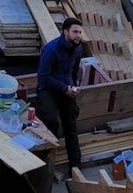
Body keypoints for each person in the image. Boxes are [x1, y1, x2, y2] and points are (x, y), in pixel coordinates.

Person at [36, 17, 86, 171]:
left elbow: (74, 70)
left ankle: (75, 167)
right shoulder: (51, 50)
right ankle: (47, 163)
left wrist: (74, 87)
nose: (78, 35)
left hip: (66, 88)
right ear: (65, 32)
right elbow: (43, 77)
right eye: (75, 32)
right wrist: (64, 88)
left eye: (79, 32)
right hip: (48, 89)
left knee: (71, 124)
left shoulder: (78, 48)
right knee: (51, 122)